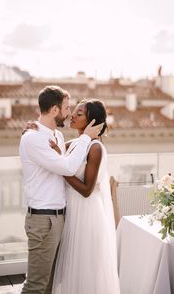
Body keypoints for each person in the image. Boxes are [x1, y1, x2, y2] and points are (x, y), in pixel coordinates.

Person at [19, 86, 103, 294]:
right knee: (36, 285)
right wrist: (86, 137)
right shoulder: (33, 138)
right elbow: (67, 167)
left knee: (50, 283)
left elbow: (66, 162)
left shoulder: (55, 136)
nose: (69, 114)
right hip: (43, 220)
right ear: (55, 110)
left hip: (59, 219)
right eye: (67, 108)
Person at [51, 99, 120, 294]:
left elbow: (87, 190)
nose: (72, 115)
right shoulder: (74, 143)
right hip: (72, 210)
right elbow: (51, 147)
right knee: (71, 268)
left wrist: (61, 168)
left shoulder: (95, 148)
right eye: (74, 111)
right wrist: (34, 129)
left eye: (79, 114)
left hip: (87, 214)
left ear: (92, 122)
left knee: (84, 268)